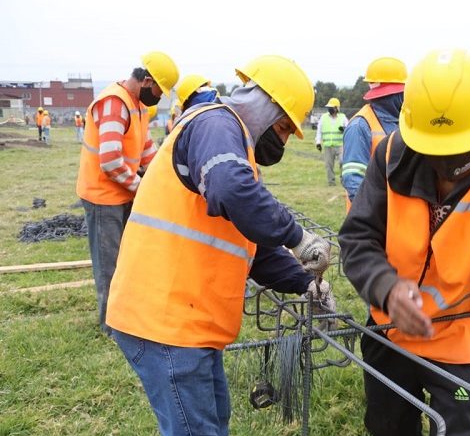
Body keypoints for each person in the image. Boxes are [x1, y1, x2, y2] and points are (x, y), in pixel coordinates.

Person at [105, 55, 334, 436]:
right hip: (166, 323)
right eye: (281, 127)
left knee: (211, 425)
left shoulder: (232, 148)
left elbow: (250, 246)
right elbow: (232, 189)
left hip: (187, 325)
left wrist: (306, 283)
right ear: (266, 107)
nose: (280, 140)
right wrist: (298, 237)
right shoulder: (215, 124)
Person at [339, 49, 470, 436]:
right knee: (387, 427)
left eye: (458, 149)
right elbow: (358, 238)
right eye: (435, 150)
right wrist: (386, 290)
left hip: (459, 348)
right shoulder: (389, 158)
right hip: (389, 336)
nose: (446, 165)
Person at [75, 51, 179, 335]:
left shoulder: (138, 107)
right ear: (146, 81)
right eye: (159, 91)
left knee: (127, 257)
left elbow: (147, 151)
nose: (160, 98)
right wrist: (142, 187)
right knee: (109, 263)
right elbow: (109, 160)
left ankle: (125, 315)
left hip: (122, 193)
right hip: (102, 197)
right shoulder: (114, 103)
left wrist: (166, 178)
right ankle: (111, 326)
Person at [341, 57, 406, 210]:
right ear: (392, 95)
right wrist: (374, 217)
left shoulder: (401, 122)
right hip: (371, 220)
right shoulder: (359, 126)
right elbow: (354, 181)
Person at [315, 97, 348, 186]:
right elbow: (319, 130)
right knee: (329, 165)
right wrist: (318, 142)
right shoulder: (323, 117)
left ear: (337, 108)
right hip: (328, 146)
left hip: (340, 145)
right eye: (329, 107)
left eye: (332, 107)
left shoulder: (343, 117)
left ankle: (343, 180)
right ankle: (331, 182)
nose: (329, 109)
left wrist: (344, 129)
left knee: (342, 162)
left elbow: (349, 129)